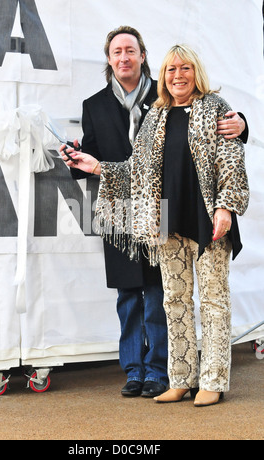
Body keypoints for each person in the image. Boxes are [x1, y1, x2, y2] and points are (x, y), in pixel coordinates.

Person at [62, 34, 249, 403]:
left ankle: (212, 381)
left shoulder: (215, 107)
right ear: (162, 75)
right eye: (172, 69)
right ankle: (180, 378)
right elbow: (137, 169)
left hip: (208, 218)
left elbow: (230, 162)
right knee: (173, 299)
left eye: (185, 68)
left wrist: (226, 206)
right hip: (166, 221)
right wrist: (96, 165)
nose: (178, 75)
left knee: (213, 300)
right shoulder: (156, 114)